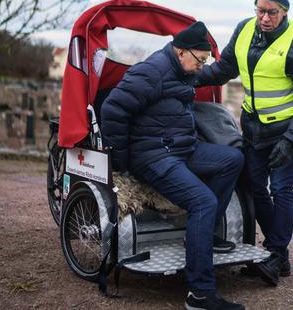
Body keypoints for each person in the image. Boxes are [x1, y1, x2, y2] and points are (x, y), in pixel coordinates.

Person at [100, 21, 245, 310]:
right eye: (200, 60)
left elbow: (216, 73)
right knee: (203, 202)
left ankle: (202, 236)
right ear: (181, 52)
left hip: (181, 149)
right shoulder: (151, 72)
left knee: (233, 159)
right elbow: (112, 108)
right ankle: (200, 294)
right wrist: (120, 162)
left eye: (205, 61)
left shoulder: (184, 72)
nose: (202, 67)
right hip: (153, 156)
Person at [196, 0, 293, 286]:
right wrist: (187, 78)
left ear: (285, 11)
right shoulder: (244, 30)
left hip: (286, 130)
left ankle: (276, 253)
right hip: (253, 126)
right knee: (255, 187)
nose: (265, 18)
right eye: (260, 11)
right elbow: (224, 68)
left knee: (281, 189)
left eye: (272, 13)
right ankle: (277, 254)